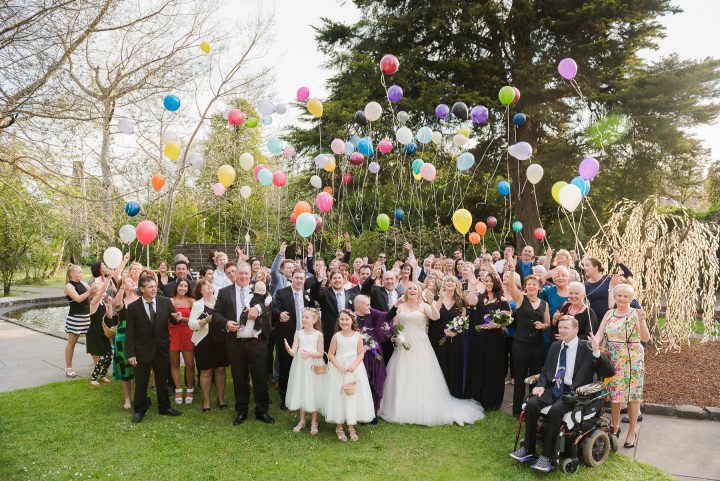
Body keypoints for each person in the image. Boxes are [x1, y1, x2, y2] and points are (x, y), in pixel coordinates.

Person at [510, 317, 613, 473]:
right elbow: (546, 370)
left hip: (575, 392)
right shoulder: (556, 346)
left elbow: (608, 372)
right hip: (555, 388)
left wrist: (597, 352)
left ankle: (547, 455)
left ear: (576, 329)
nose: (562, 330)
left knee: (555, 410)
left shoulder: (586, 347)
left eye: (566, 328)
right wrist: (540, 385)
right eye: (560, 327)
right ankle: (529, 449)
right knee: (531, 404)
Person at [379, 281, 484, 425]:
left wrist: (433, 303)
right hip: (403, 345)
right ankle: (399, 408)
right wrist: (397, 336)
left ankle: (423, 408)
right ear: (405, 292)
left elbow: (436, 317)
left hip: (421, 344)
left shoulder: (424, 306)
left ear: (419, 292)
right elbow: (394, 324)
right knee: (402, 374)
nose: (412, 290)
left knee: (422, 375)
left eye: (415, 288)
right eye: (409, 288)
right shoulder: (400, 306)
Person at [214, 262, 274, 426]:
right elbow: (216, 314)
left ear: (250, 275)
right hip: (235, 343)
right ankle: (241, 411)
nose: (243, 277)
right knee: (239, 378)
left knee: (260, 377)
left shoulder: (257, 288)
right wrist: (226, 323)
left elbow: (270, 302)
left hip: (257, 342)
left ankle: (262, 411)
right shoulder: (224, 292)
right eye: (240, 273)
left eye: (246, 274)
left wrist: (258, 310)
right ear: (234, 275)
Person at [596, 283, 650, 449]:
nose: (622, 298)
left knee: (632, 396)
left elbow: (645, 338)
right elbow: (599, 334)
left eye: (626, 296)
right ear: (615, 297)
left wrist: (641, 321)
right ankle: (615, 426)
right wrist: (593, 344)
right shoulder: (609, 313)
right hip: (614, 359)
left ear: (631, 299)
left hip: (633, 358)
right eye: (619, 295)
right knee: (616, 395)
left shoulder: (636, 313)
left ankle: (632, 431)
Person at [126, 276, 183, 423]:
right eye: (150, 286)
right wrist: (131, 354)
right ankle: (139, 409)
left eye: (154, 286)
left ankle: (165, 407)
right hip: (142, 350)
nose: (153, 289)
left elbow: (174, 320)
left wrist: (177, 317)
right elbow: (130, 333)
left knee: (162, 380)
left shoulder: (165, 301)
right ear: (142, 289)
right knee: (141, 381)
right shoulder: (133, 308)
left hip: (161, 348)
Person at [505, 259, 551, 417]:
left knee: (535, 378)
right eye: (528, 284)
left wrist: (543, 326)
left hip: (537, 346)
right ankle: (517, 411)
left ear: (539, 287)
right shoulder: (520, 299)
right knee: (519, 379)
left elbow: (548, 323)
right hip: (520, 345)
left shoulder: (544, 304)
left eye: (534, 284)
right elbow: (511, 287)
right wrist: (511, 270)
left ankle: (531, 408)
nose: (531, 287)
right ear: (525, 287)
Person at [323, 310, 375, 442]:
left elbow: (361, 354)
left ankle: (351, 426)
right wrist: (339, 366)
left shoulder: (357, 336)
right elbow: (330, 354)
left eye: (347, 319)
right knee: (339, 395)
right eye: (341, 319)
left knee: (353, 395)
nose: (344, 322)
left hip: (354, 368)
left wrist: (354, 365)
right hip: (338, 368)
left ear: (352, 321)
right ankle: (339, 426)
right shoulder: (336, 336)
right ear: (338, 321)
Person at [465, 272, 510, 410]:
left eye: (491, 281)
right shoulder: (479, 297)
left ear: (496, 283)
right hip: (479, 338)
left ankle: (492, 400)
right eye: (486, 281)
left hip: (495, 340)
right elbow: (469, 301)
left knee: (493, 367)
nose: (489, 283)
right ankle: (478, 397)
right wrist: (472, 284)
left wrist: (496, 324)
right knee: (480, 366)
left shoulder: (502, 301)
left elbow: (507, 319)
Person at [272, 268, 312, 411]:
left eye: (302, 278)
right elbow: (274, 309)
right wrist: (280, 314)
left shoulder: (308, 294)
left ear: (304, 280)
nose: (299, 280)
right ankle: (285, 398)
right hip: (287, 335)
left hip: (306, 336)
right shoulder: (283, 293)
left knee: (304, 366)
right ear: (292, 278)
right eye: (297, 278)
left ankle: (303, 396)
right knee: (286, 367)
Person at [283, 308, 325, 435]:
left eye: (307, 317)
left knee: (314, 390)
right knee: (301, 389)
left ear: (314, 320)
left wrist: (311, 354)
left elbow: (321, 353)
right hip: (300, 366)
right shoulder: (298, 333)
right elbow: (293, 352)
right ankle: (302, 420)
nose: (304, 319)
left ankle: (314, 421)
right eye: (303, 317)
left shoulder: (318, 335)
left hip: (313, 366)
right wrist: (288, 348)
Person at [189, 279, 227, 412]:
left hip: (221, 342)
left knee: (220, 370)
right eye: (205, 284)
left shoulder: (220, 302)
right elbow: (191, 324)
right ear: (200, 290)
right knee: (206, 371)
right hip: (203, 343)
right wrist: (204, 321)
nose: (209, 285)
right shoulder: (197, 305)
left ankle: (221, 398)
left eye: (210, 283)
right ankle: (206, 400)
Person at [430, 275, 466, 398]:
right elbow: (434, 315)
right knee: (439, 363)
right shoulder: (436, 298)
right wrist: (440, 298)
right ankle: (437, 393)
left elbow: (464, 320)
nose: (450, 283)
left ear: (457, 285)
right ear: (443, 284)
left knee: (453, 363)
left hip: (454, 338)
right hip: (437, 336)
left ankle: (452, 392)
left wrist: (455, 332)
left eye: (453, 281)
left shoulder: (461, 301)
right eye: (447, 281)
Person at [361, 263, 401, 361]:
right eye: (386, 279)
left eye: (391, 279)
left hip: (398, 333)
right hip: (380, 334)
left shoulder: (401, 294)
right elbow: (364, 290)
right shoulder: (376, 290)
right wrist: (373, 275)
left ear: (396, 280)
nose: (389, 281)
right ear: (382, 280)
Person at [311, 268, 357, 353]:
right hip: (329, 333)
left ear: (344, 280)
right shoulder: (324, 292)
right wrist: (319, 279)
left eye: (339, 278)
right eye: (334, 278)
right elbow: (313, 293)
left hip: (347, 332)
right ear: (331, 280)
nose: (337, 280)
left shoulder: (352, 295)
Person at [63, 264, 97, 378]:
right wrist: (90, 291)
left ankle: (98, 366)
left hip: (88, 316)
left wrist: (99, 287)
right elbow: (78, 299)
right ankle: (69, 367)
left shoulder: (83, 283)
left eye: (82, 272)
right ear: (72, 274)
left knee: (93, 341)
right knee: (72, 342)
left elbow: (93, 294)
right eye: (79, 272)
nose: (82, 274)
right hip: (75, 318)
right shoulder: (68, 286)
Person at [168, 278, 195, 405]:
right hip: (172, 333)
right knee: (174, 363)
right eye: (181, 286)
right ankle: (178, 388)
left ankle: (190, 388)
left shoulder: (191, 301)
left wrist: (182, 318)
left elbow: (194, 320)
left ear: (188, 288)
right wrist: (172, 316)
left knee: (189, 363)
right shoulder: (170, 301)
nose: (183, 288)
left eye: (185, 286)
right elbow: (165, 316)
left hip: (187, 333)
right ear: (176, 287)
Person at [582, 253, 633, 320]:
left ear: (596, 268)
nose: (584, 267)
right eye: (584, 265)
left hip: (613, 317)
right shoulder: (585, 285)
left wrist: (620, 262)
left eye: (587, 265)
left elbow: (628, 275)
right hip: (596, 319)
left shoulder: (609, 279)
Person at [86, 277, 113, 386]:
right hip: (94, 333)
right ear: (95, 292)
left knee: (110, 355)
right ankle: (93, 378)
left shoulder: (102, 303)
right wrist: (108, 279)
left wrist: (110, 304)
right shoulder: (93, 302)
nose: (103, 290)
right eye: (100, 289)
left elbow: (110, 316)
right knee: (103, 356)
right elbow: (102, 291)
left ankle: (103, 375)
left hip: (102, 333)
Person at [539, 266, 570, 357]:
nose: (560, 278)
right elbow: (533, 290)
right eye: (557, 276)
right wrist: (545, 276)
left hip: (569, 333)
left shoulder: (573, 291)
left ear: (568, 277)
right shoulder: (547, 290)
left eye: (563, 275)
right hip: (551, 332)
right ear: (552, 278)